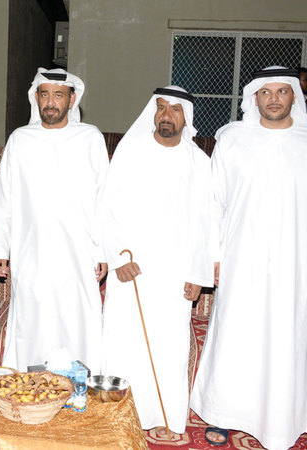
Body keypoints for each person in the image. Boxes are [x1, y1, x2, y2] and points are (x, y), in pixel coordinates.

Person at [190, 66, 307, 449]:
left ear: (295, 96)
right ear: (255, 98)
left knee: (283, 339)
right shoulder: (232, 139)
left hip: (292, 263)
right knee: (234, 334)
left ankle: (276, 425)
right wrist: (213, 254)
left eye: (282, 91)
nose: (274, 99)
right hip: (239, 257)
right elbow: (213, 203)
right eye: (266, 92)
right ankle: (222, 414)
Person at [99, 86, 214, 437]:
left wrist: (198, 273)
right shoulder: (130, 151)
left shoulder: (200, 162)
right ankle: (118, 414)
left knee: (170, 344)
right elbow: (106, 206)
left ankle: (164, 415)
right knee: (123, 340)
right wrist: (117, 257)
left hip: (175, 271)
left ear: (186, 117)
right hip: (130, 267)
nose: (166, 115)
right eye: (161, 107)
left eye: (175, 110)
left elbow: (208, 221)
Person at [0, 68, 109, 372]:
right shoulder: (20, 139)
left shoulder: (90, 138)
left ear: (72, 100)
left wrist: (102, 251)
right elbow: (5, 197)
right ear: (36, 98)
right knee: (33, 319)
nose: (50, 102)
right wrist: (0, 248)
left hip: (78, 251)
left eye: (58, 95)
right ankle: (29, 384)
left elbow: (103, 198)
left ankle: (78, 382)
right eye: (45, 94)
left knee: (76, 318)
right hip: (32, 250)